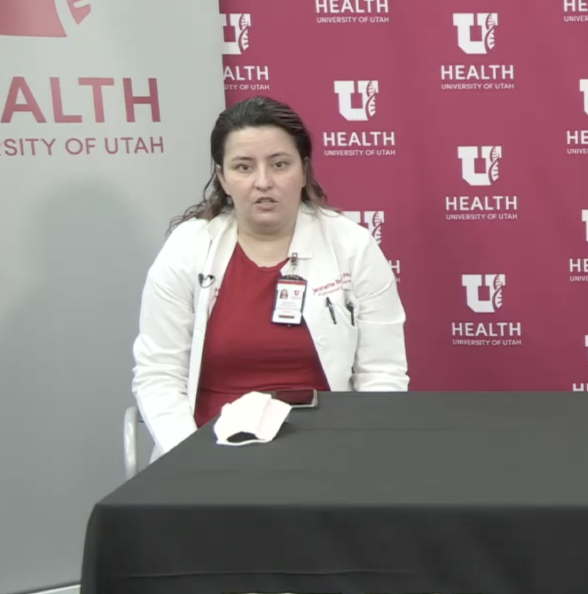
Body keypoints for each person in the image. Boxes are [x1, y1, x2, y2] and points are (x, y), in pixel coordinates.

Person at [132, 96, 408, 461]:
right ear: (222, 178)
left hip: (330, 454)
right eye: (243, 167)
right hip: (208, 452)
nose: (263, 182)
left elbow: (383, 373)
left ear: (304, 171)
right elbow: (158, 375)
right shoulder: (188, 248)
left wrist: (357, 453)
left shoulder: (352, 246)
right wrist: (191, 458)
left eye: (279, 164)